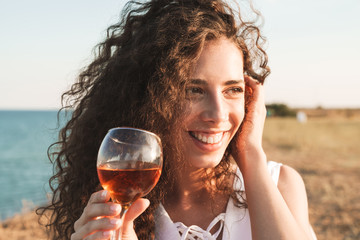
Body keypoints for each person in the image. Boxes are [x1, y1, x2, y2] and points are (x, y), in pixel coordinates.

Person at [38, 0, 316, 239]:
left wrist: (250, 152)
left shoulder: (280, 184)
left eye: (233, 90)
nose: (218, 113)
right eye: (193, 90)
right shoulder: (122, 201)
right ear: (151, 98)